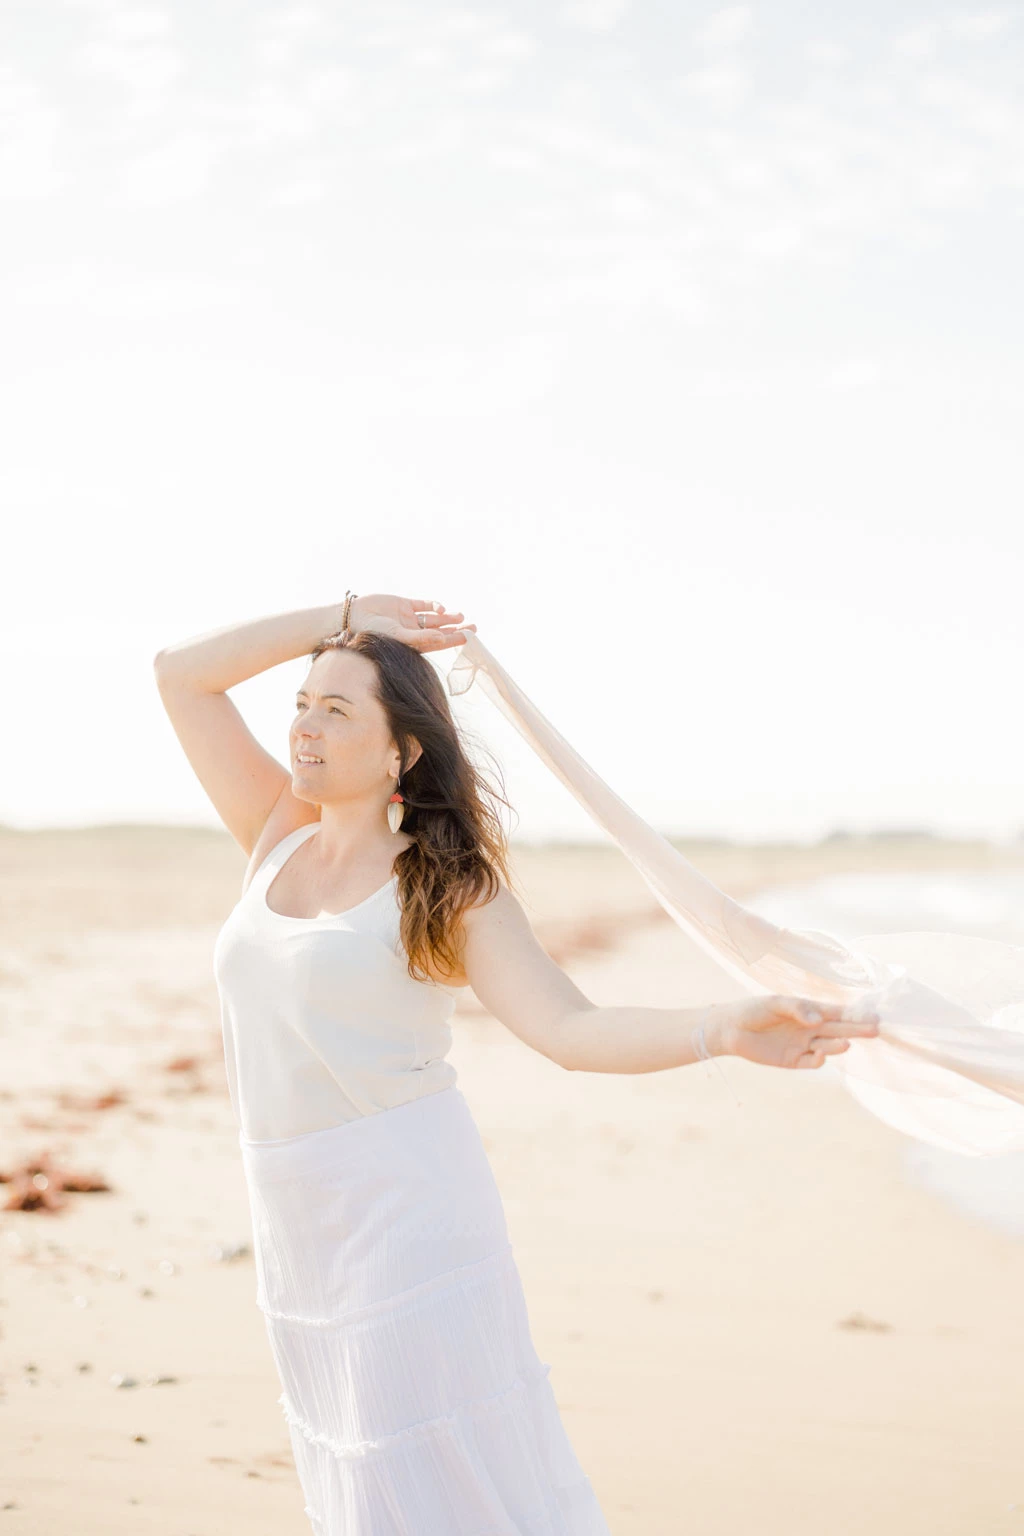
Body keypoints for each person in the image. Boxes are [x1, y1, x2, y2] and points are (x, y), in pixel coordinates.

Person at [154, 590, 880, 1534]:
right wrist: (344, 613)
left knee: (418, 1478)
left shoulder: (446, 883)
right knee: (355, 1469)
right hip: (298, 1214)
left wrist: (723, 1028)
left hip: (405, 1215)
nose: (304, 727)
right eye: (300, 703)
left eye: (337, 711)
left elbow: (569, 1029)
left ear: (402, 751)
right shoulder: (272, 835)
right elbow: (181, 675)